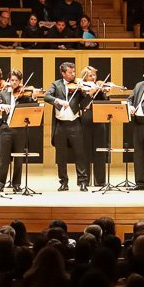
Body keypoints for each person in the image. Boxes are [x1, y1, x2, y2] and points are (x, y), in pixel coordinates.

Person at [45, 62, 90, 192]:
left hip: (75, 123)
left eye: (74, 72)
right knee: (61, 156)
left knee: (79, 154)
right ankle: (63, 182)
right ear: (63, 73)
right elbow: (47, 96)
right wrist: (58, 101)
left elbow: (84, 104)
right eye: (70, 72)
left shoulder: (78, 86)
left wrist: (89, 94)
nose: (73, 74)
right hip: (60, 125)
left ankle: (82, 182)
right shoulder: (56, 84)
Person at [0, 69, 41, 192]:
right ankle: (0, 184)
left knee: (19, 158)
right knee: (3, 158)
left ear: (20, 81)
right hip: (6, 128)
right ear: (9, 80)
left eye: (16, 80)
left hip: (20, 129)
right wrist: (1, 106)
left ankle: (16, 184)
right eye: (12, 80)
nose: (14, 82)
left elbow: (32, 105)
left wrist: (34, 97)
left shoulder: (24, 95)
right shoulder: (4, 93)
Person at [77, 65, 111, 187]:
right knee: (84, 151)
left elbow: (105, 105)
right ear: (84, 77)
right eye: (90, 75)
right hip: (85, 121)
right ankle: (84, 180)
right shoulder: (80, 89)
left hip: (99, 121)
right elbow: (81, 105)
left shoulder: (99, 88)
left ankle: (100, 180)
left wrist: (105, 94)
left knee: (100, 151)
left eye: (94, 75)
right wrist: (90, 94)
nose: (93, 77)